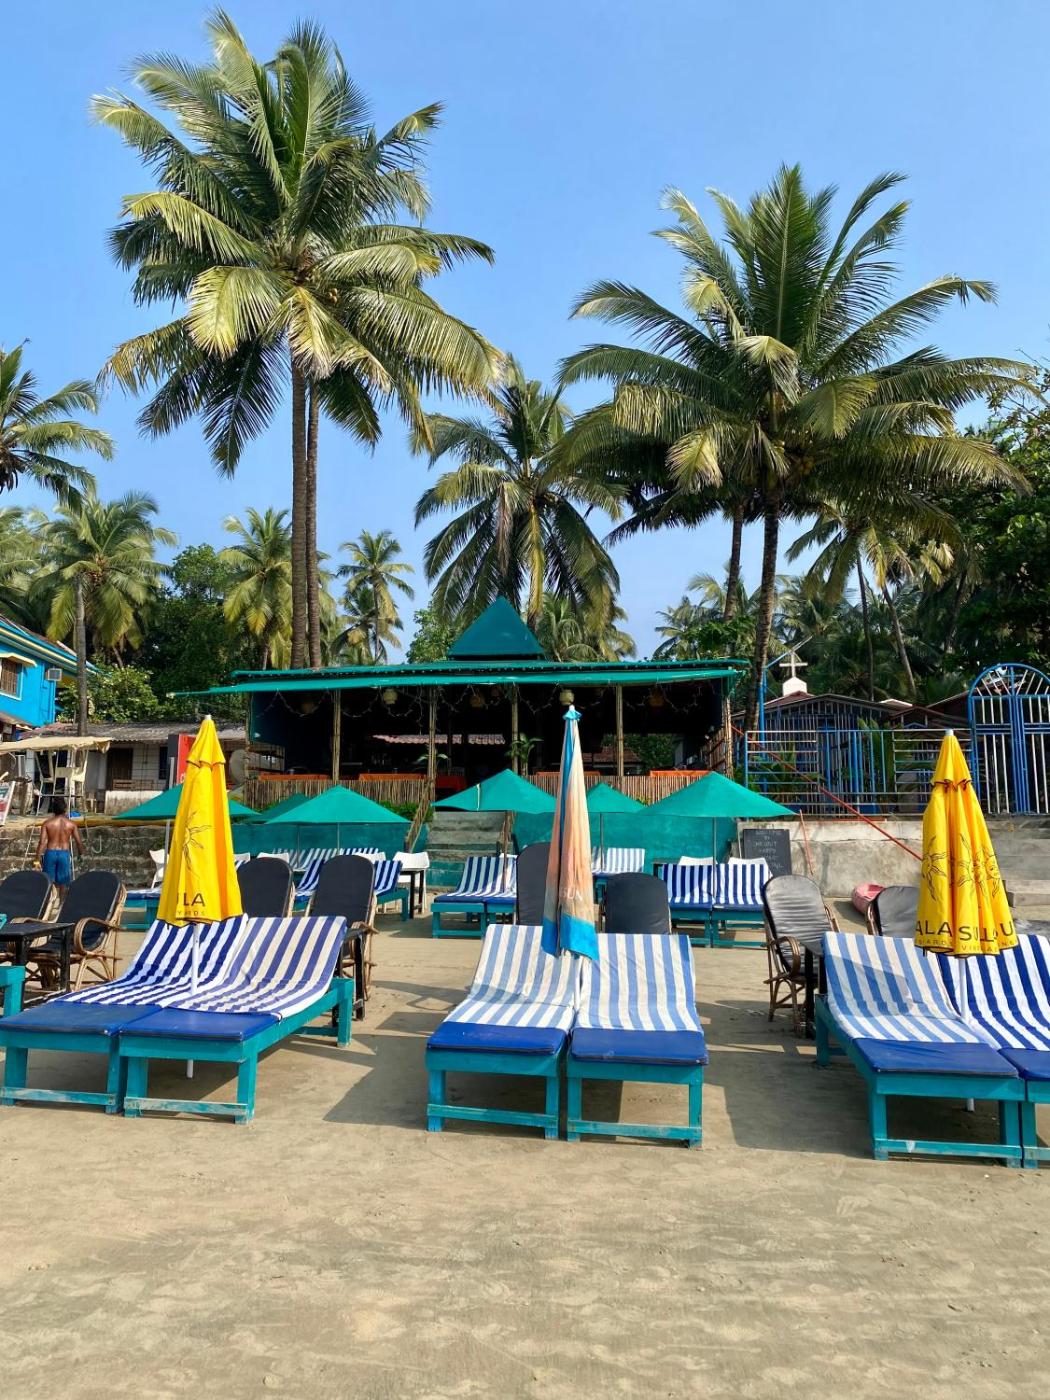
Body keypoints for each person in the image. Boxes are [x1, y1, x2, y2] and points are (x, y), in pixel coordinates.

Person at [36, 797, 83, 892]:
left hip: (50, 853)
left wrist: (37, 859)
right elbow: (79, 842)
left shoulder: (47, 823)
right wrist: (80, 854)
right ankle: (61, 901)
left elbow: (42, 842)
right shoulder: (71, 824)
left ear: (53, 809)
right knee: (63, 883)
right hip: (64, 853)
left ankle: (49, 899)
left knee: (48, 881)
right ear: (65, 809)